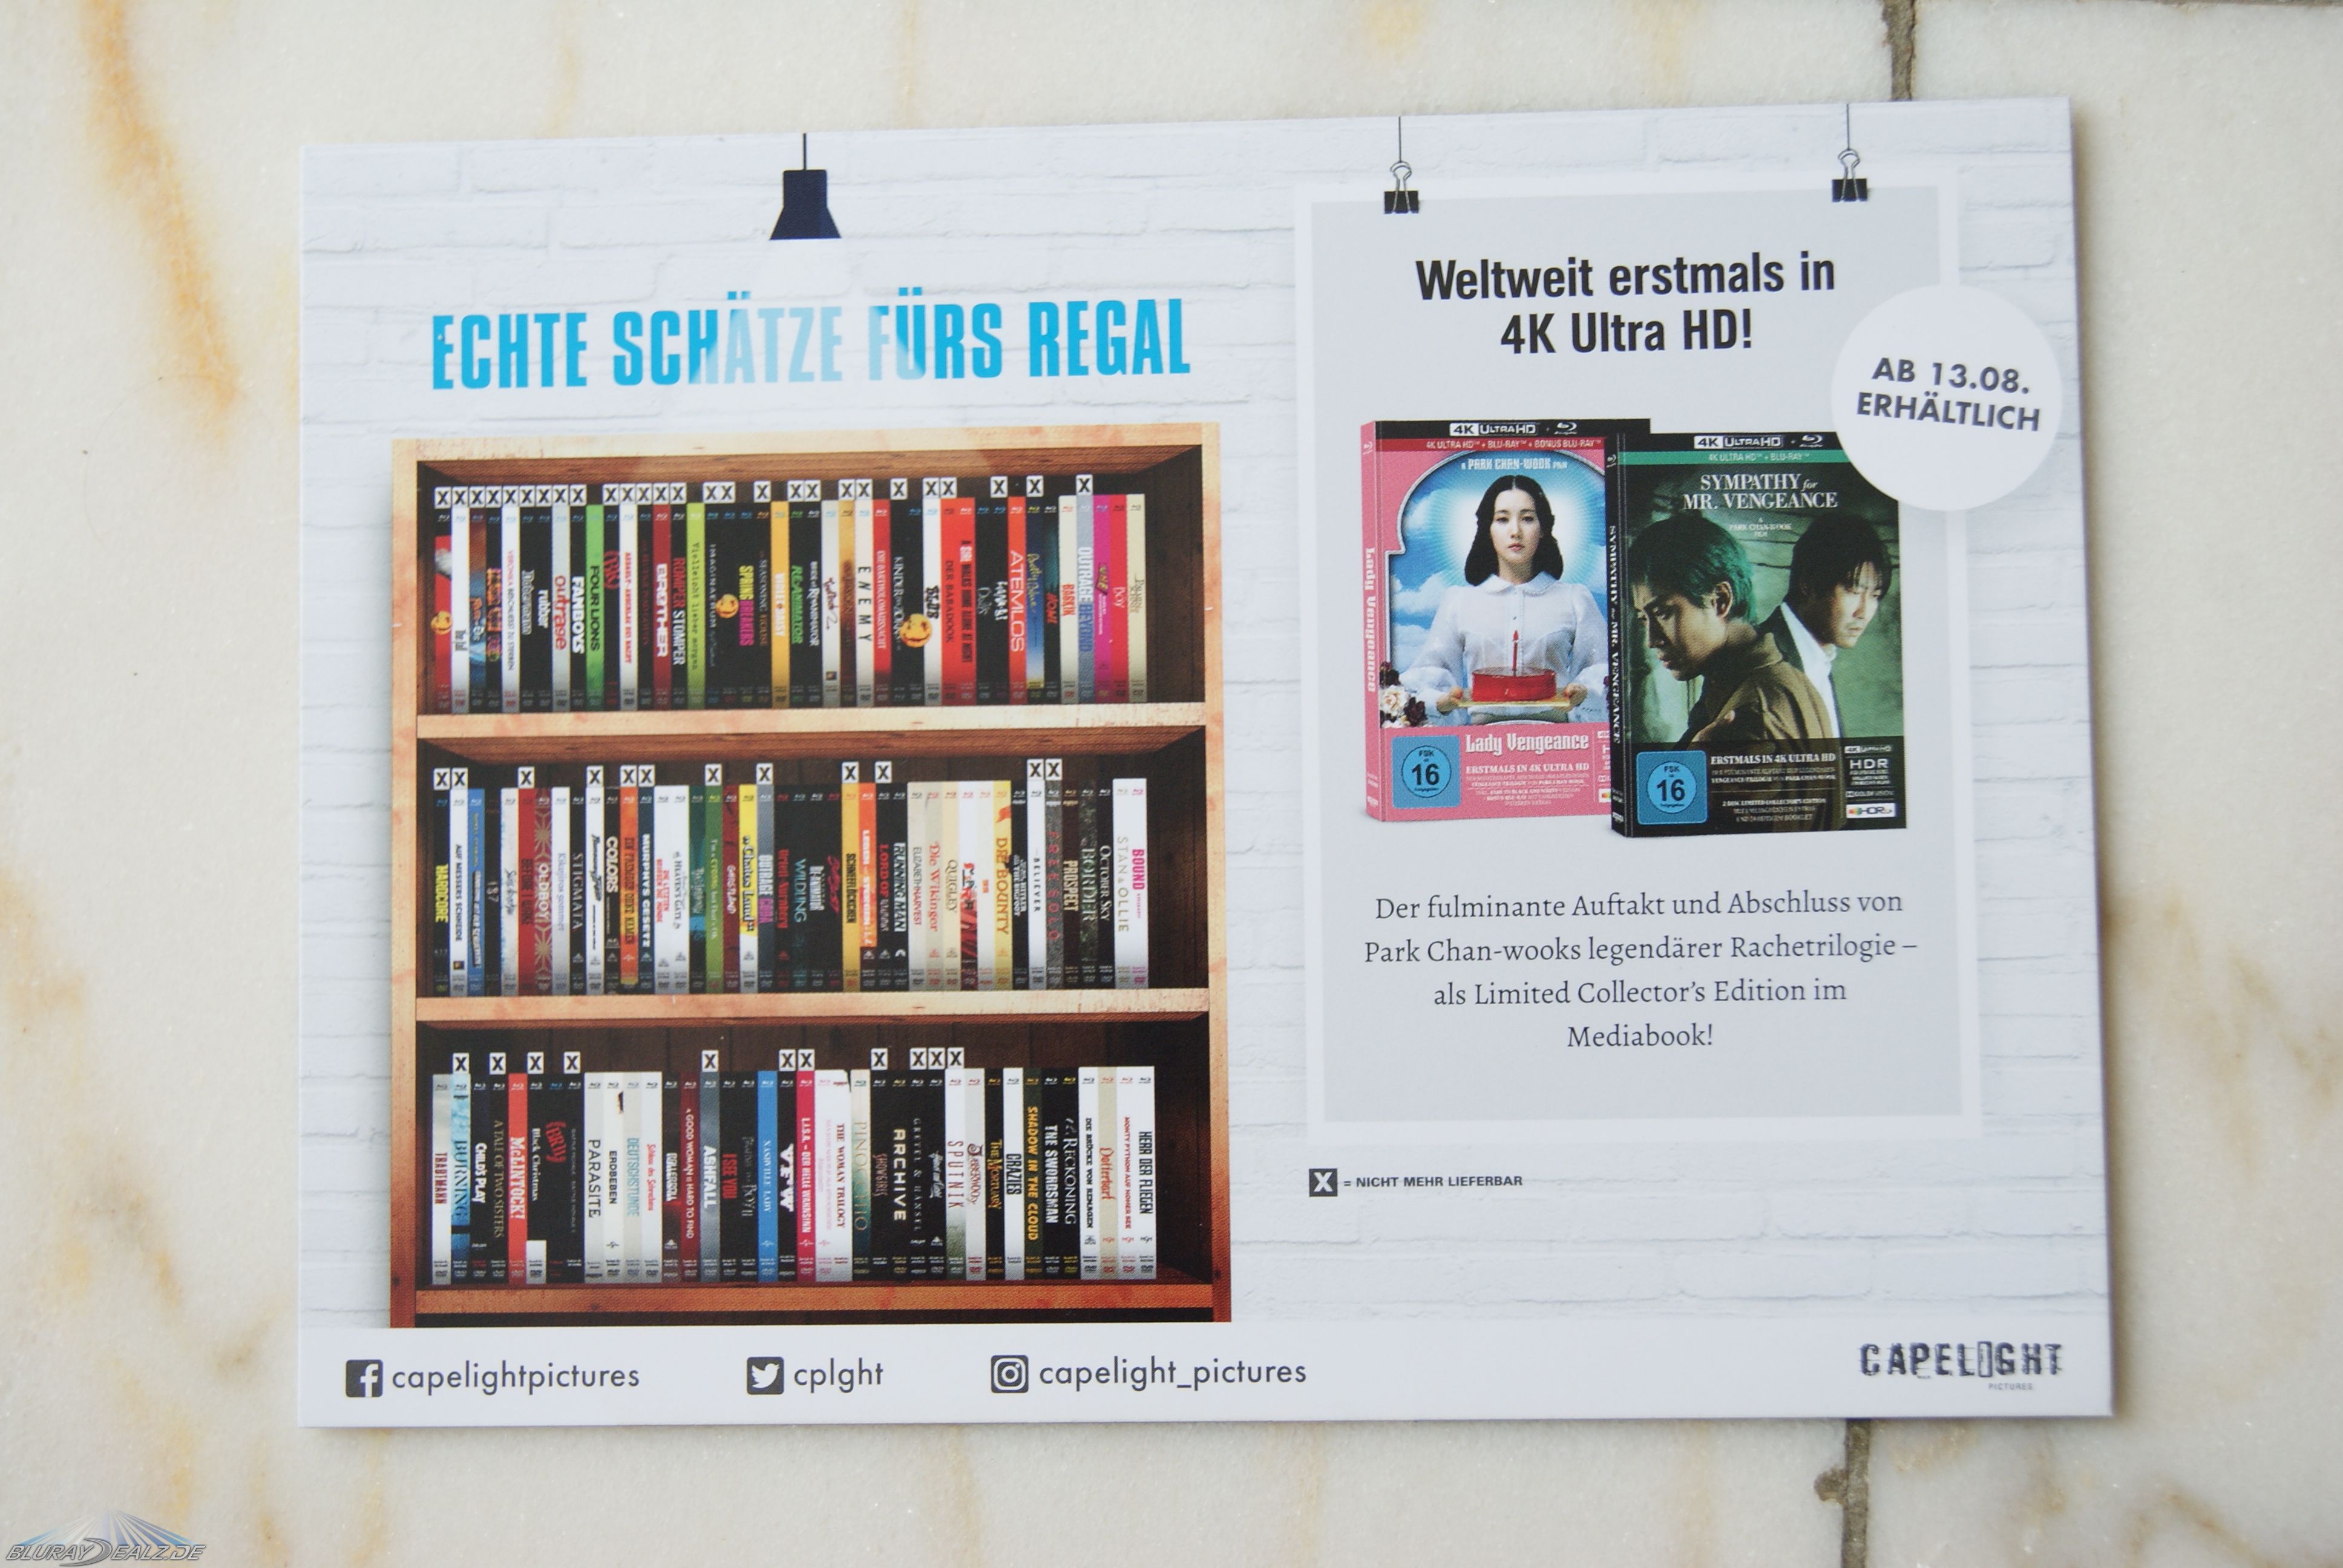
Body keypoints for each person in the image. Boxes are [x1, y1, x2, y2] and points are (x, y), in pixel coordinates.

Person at [1398, 473, 1607, 722]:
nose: (1515, 531)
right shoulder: (1460, 602)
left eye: (1527, 519)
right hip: (1484, 740)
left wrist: (1585, 693)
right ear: (1488, 528)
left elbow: (1601, 672)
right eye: (1503, 519)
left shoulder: (1574, 599)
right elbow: (1430, 672)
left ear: (1543, 528)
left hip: (1555, 737)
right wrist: (1441, 702)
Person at [1627, 513, 1829, 745]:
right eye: (1644, 619)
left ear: (1720, 600)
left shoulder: (1747, 718)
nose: (1651, 641)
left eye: (1663, 613)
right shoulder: (1787, 682)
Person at [1754, 515, 1892, 739]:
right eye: (1854, 591)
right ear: (1809, 583)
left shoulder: (1818, 659)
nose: (1864, 613)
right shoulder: (1756, 659)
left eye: (1875, 596)